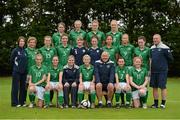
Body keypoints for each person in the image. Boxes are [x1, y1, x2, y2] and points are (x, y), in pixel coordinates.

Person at [150, 34, 173, 108]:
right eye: (154, 39)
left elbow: (171, 59)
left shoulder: (165, 48)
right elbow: (151, 59)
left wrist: (164, 66)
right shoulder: (152, 48)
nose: (155, 40)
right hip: (153, 71)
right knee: (154, 87)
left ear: (160, 39)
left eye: (156, 38)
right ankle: (156, 104)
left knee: (162, 87)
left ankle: (163, 104)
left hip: (162, 71)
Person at [39, 36, 57, 105]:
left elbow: (55, 59)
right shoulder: (41, 50)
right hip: (43, 69)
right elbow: (39, 59)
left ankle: (50, 101)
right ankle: (43, 99)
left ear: (51, 41)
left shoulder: (54, 49)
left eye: (49, 40)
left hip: (51, 70)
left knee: (50, 84)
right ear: (44, 41)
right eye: (46, 40)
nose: (47, 42)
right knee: (43, 85)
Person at [10, 36, 27, 107]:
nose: (22, 42)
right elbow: (11, 61)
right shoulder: (15, 50)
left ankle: (22, 102)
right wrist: (15, 68)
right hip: (16, 72)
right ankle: (14, 103)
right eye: (21, 41)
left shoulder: (25, 51)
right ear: (18, 42)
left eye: (23, 41)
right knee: (15, 87)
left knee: (23, 87)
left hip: (24, 72)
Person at [118, 34, 134, 105]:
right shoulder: (119, 47)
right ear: (121, 39)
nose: (124, 39)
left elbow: (133, 56)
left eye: (126, 38)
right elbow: (117, 56)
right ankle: (122, 101)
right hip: (121, 67)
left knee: (129, 83)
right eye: (123, 38)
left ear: (128, 39)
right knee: (122, 82)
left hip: (129, 66)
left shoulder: (131, 47)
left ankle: (130, 100)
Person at [25, 37, 38, 105]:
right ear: (28, 43)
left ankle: (32, 101)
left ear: (35, 43)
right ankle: (24, 101)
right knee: (26, 87)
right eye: (31, 42)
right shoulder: (25, 50)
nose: (32, 44)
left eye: (34, 42)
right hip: (27, 72)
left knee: (33, 87)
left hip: (35, 73)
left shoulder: (37, 51)